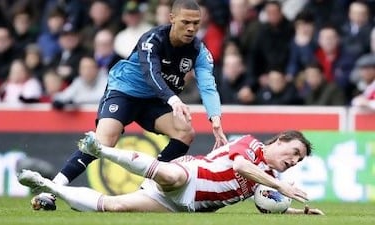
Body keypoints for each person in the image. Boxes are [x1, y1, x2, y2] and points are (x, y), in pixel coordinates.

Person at [33, 0, 227, 209]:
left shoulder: (199, 51)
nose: (191, 28)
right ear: (172, 19)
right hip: (125, 91)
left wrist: (215, 119)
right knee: (104, 141)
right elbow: (150, 73)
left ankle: (146, 189)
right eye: (185, 22)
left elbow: (208, 85)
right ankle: (52, 189)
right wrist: (173, 99)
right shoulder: (152, 40)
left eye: (196, 23)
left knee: (185, 132)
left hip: (154, 101)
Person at [18, 130, 324, 215]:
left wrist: (296, 212)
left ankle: (45, 184)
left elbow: (263, 202)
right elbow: (241, 167)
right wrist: (283, 188)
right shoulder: (251, 145)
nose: (294, 160)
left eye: (299, 161)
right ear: (279, 141)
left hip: (183, 205)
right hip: (191, 175)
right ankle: (102, 150)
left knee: (115, 206)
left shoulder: (268, 176)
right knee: (172, 176)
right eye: (294, 152)